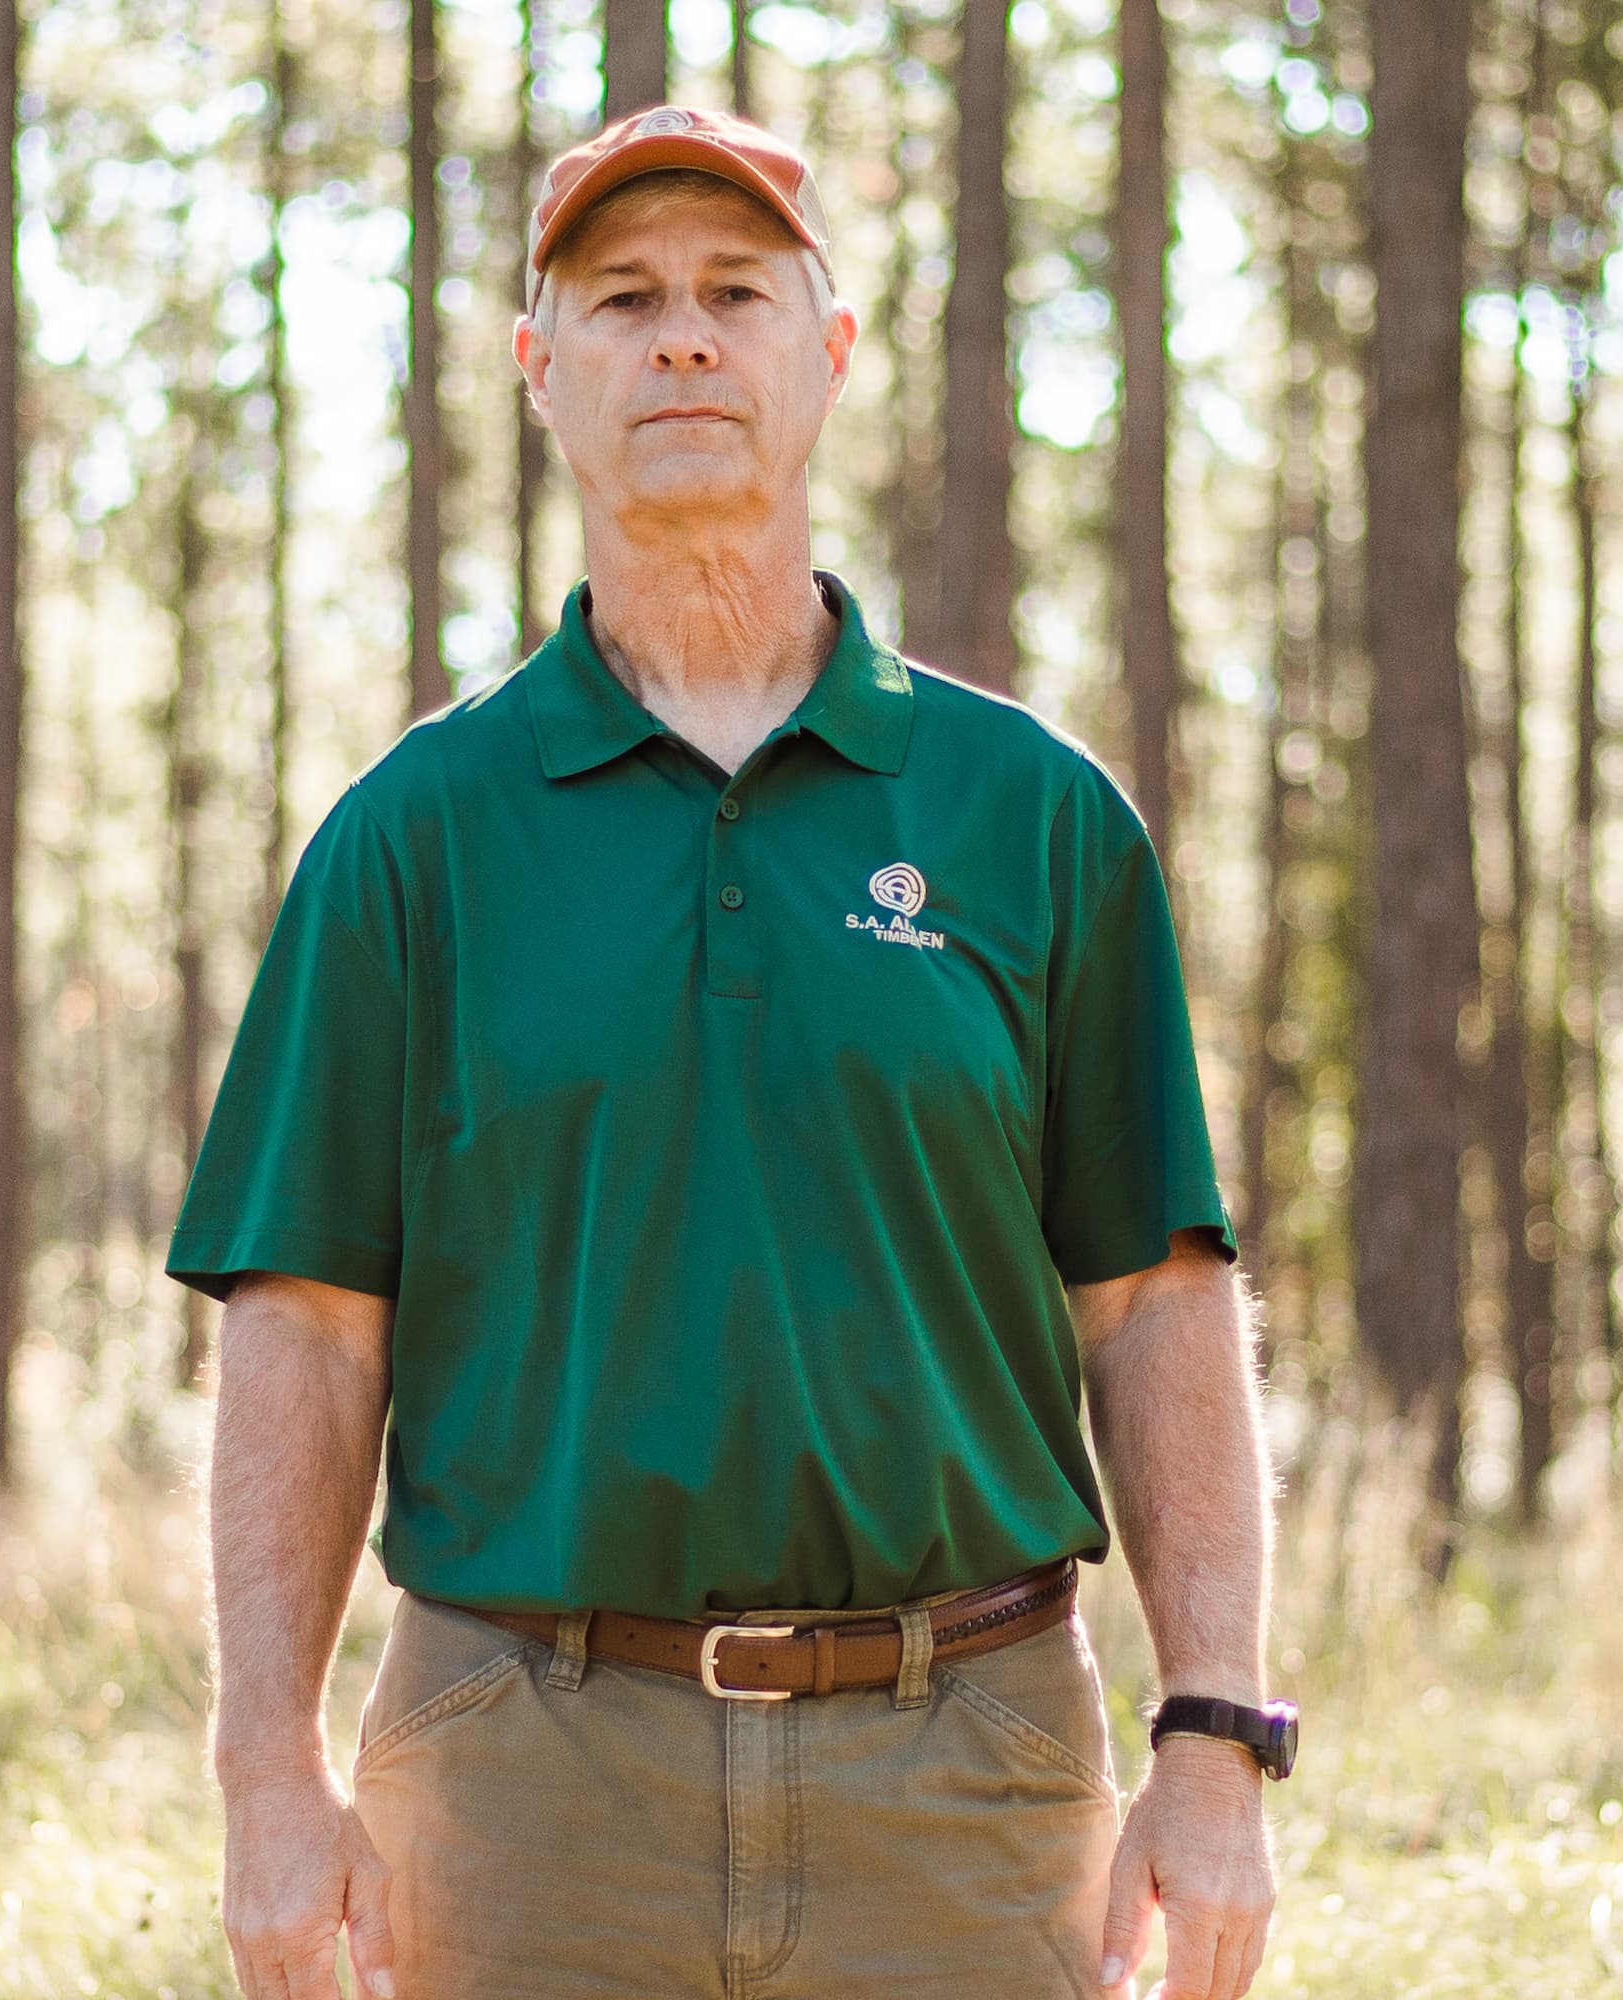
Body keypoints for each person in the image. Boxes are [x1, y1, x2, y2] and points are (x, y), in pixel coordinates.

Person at [166, 103, 1286, 2000]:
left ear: (828, 352)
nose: (682, 335)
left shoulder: (1036, 820)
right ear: (542, 371)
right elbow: (305, 1329)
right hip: (521, 1771)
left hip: (970, 1763)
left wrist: (1215, 1735)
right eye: (622, 298)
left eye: (734, 291)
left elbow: (1156, 1307)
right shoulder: (410, 840)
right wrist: (263, 1771)